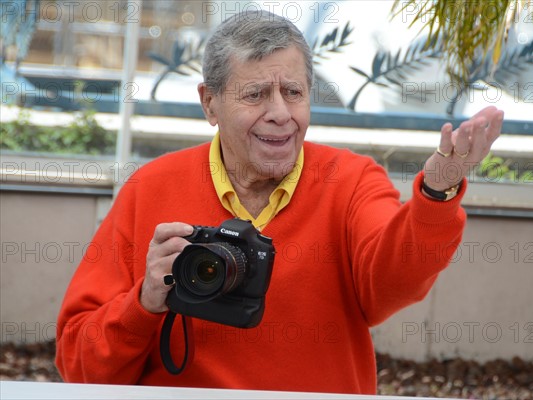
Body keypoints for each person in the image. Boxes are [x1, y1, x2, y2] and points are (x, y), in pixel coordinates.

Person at [55, 10, 504, 394]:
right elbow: (79, 365)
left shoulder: (350, 180)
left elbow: (392, 280)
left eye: (293, 93)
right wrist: (146, 302)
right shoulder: (150, 187)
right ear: (209, 104)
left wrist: (436, 193)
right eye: (255, 95)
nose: (280, 113)